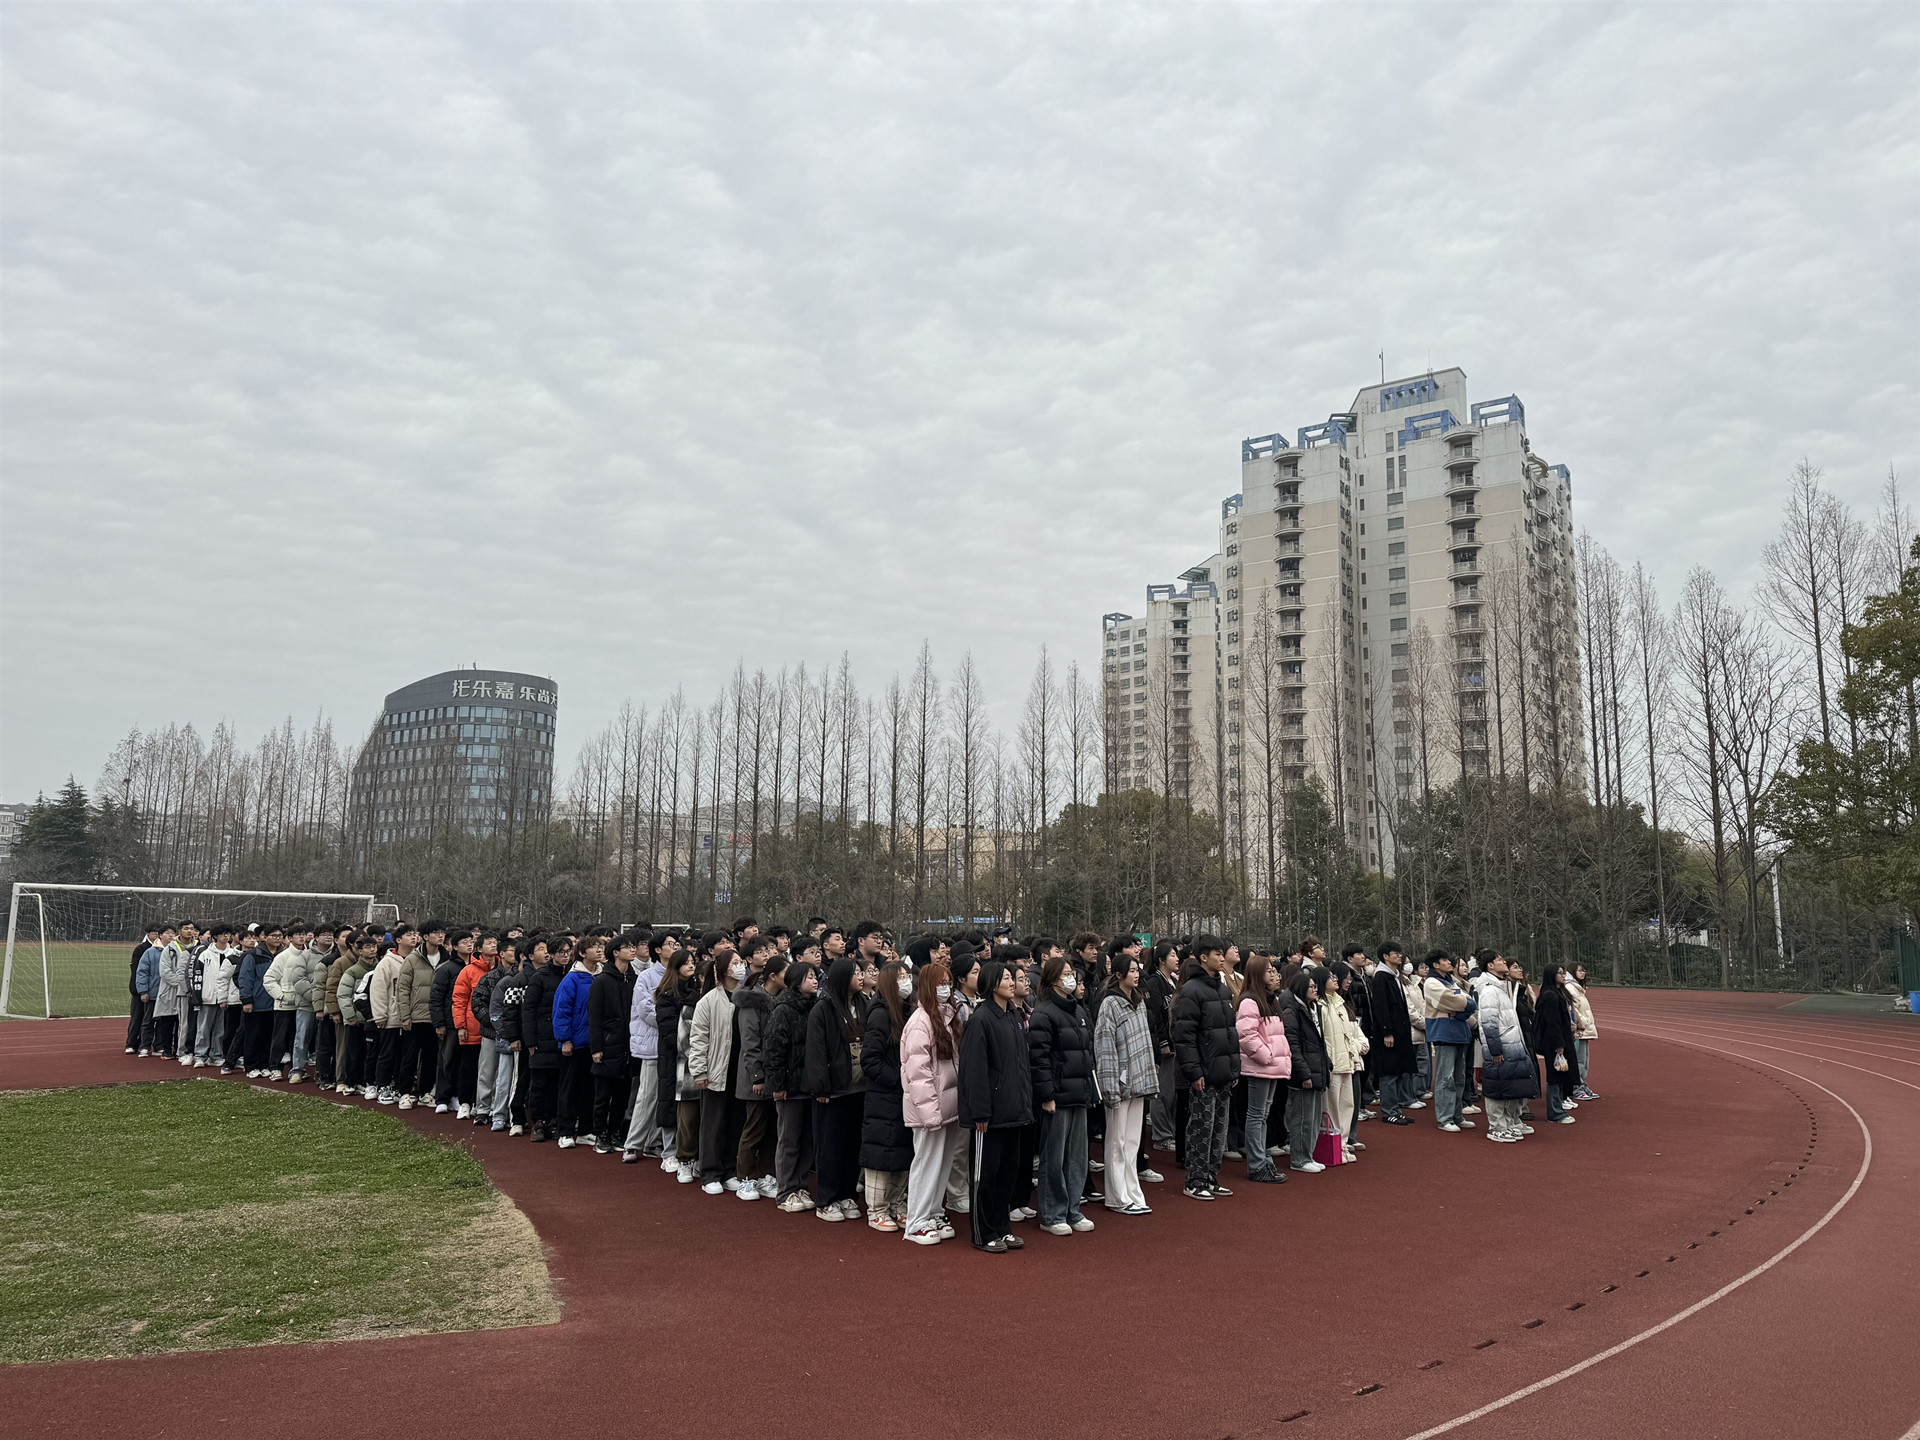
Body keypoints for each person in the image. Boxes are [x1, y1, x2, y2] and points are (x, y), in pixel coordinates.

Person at [958, 958, 1032, 1253]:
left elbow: (1021, 1066)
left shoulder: (1013, 1015)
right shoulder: (980, 1019)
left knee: (1007, 1173)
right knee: (985, 1176)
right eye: (1006, 978)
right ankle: (983, 1232)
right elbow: (974, 1070)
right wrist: (980, 1111)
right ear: (991, 984)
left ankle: (1003, 1227)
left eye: (1012, 978)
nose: (1012, 982)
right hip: (989, 1115)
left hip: (1014, 1111)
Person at [1028, 953, 1095, 1236]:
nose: (1071, 979)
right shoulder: (1043, 1014)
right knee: (1053, 1158)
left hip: (1078, 1093)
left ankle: (1072, 1209)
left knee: (1077, 1157)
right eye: (1065, 974)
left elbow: (1087, 1054)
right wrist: (1047, 1095)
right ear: (1053, 980)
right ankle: (1052, 1213)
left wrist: (1089, 1090)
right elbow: (1039, 1059)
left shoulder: (1079, 1012)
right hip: (1057, 1096)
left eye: (1072, 974)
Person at [1172, 936, 1239, 1201]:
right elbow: (1185, 1036)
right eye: (1217, 954)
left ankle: (1211, 1176)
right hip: (1204, 1073)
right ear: (1203, 958)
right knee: (1201, 1126)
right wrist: (1194, 1071)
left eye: (1223, 954)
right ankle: (1195, 1179)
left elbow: (1231, 1033)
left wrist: (1234, 1068)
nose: (1222, 958)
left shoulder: (1222, 990)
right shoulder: (1191, 990)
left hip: (1223, 1072)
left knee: (1219, 1129)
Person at [901, 958, 962, 1244]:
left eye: (948, 983)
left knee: (942, 1163)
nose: (946, 989)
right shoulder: (920, 1022)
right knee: (926, 1163)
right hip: (930, 1110)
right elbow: (918, 1074)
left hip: (948, 1105)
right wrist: (930, 1114)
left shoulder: (947, 1017)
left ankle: (934, 1211)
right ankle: (916, 1222)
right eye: (940, 984)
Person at [1092, 950, 1158, 1214]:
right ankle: (1117, 1196)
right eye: (1131, 970)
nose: (1136, 974)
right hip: (1119, 1083)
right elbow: (1104, 1046)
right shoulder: (1110, 1004)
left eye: (1137, 970)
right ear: (1118, 974)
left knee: (1131, 1142)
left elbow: (1145, 1043)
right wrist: (1110, 1084)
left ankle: (1133, 1192)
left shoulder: (1139, 1001)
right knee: (1116, 1141)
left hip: (1138, 1081)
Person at [805, 956, 866, 1222]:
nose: (861, 977)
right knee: (830, 1146)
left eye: (861, 972)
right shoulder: (824, 1008)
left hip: (860, 1088)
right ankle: (826, 1199)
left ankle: (846, 1194)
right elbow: (816, 1051)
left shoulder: (864, 1004)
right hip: (833, 1090)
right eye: (855, 973)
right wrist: (821, 1087)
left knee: (853, 1144)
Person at [859, 958, 914, 1232]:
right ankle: (877, 1209)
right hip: (884, 1096)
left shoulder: (907, 1011)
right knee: (881, 1155)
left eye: (908, 976)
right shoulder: (880, 1014)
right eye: (901, 977)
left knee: (903, 1152)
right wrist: (898, 1079)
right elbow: (870, 1060)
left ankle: (897, 1204)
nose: (907, 982)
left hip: (903, 1096)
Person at [689, 943, 747, 1191]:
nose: (740, 966)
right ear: (723, 969)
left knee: (735, 1121)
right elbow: (698, 1039)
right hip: (716, 1070)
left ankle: (727, 1169)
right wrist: (699, 1071)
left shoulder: (747, 997)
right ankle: (710, 1173)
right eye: (735, 963)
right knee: (714, 1124)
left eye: (741, 962)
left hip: (740, 1070)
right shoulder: (709, 1001)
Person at [765, 957, 819, 1210]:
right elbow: (773, 1049)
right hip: (789, 1084)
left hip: (810, 1083)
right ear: (797, 981)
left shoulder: (815, 1006)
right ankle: (786, 1190)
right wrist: (778, 1084)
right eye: (810, 977)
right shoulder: (783, 1009)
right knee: (789, 1139)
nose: (815, 981)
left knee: (807, 1139)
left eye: (815, 976)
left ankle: (801, 1186)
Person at [1233, 953, 1290, 1185]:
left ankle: (1262, 1160)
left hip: (1271, 1066)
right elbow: (1246, 1035)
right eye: (1268, 971)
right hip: (1261, 1066)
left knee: (1263, 1114)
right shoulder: (1250, 1001)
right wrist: (1267, 1057)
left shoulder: (1270, 999)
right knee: (1256, 1115)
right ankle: (1257, 1164)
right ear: (1257, 974)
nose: (1274, 974)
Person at [732, 945, 783, 1197]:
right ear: (773, 976)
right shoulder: (752, 1002)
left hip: (773, 1075)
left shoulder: (778, 1000)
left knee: (771, 1130)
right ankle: (746, 1177)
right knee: (754, 1129)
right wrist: (757, 1076)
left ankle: (766, 1175)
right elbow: (749, 1043)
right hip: (755, 1077)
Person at [1474, 955, 1536, 1141]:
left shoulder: (1502, 988)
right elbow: (1489, 1022)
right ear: (1490, 966)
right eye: (1500, 960)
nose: (1504, 963)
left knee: (1509, 1084)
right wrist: (1495, 1049)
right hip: (1500, 1047)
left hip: (1511, 1044)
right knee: (1497, 1086)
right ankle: (1496, 1128)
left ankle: (1508, 1123)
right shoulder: (1489, 991)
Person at [587, 934, 637, 1154]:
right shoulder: (602, 981)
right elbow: (594, 1017)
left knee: (622, 1094)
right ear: (615, 952)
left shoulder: (635, 979)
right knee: (602, 1095)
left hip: (629, 1046)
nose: (633, 950)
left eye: (633, 946)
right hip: (608, 1045)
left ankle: (616, 1132)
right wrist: (596, 1048)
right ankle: (600, 1134)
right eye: (628, 947)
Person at [620, 932, 666, 1161]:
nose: (675, 947)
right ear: (658, 950)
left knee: (664, 1096)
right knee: (647, 1096)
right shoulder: (646, 977)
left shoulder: (678, 975)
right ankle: (633, 1143)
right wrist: (669, 1023)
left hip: (671, 1043)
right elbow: (645, 1009)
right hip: (652, 1043)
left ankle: (653, 1142)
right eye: (670, 944)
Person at [520, 936, 569, 1142]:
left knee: (560, 1082)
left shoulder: (571, 975)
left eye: (568, 952)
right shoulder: (539, 977)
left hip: (563, 1037)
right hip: (542, 1037)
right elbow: (528, 1010)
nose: (565, 955)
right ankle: (538, 1122)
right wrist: (530, 1040)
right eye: (561, 952)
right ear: (552, 954)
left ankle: (554, 1121)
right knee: (540, 1083)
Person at [1421, 951, 1476, 1132]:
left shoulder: (1451, 981)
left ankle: (1457, 1115)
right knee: (1446, 1078)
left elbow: (1468, 1001)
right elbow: (1452, 1001)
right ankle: (1445, 1118)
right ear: (1436, 965)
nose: (1449, 963)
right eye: (1444, 960)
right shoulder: (1431, 982)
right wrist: (1465, 1003)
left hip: (1459, 1032)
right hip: (1444, 1032)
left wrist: (1465, 1004)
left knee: (1459, 1078)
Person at [553, 937, 600, 1147]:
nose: (598, 950)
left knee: (589, 1088)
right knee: (569, 1088)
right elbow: (561, 1011)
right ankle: (565, 1131)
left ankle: (585, 1130)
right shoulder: (571, 979)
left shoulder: (601, 976)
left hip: (593, 1043)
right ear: (582, 953)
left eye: (600, 947)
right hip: (574, 1042)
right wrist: (565, 1039)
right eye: (593, 947)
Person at [1280, 970, 1329, 1172]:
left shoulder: (1312, 1008)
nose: (1315, 990)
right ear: (1301, 988)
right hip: (1303, 1073)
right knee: (1301, 1118)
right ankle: (1299, 1159)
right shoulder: (1293, 1011)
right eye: (1311, 986)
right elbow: (1292, 1044)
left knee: (1313, 1118)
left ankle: (1308, 1155)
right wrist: (1304, 1072)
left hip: (1315, 1069)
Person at [1320, 963, 1368, 1162]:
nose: (1337, 980)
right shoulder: (1321, 1006)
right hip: (1334, 1065)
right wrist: (1329, 1063)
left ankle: (1343, 1144)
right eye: (1331, 977)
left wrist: (1359, 1047)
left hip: (1348, 1062)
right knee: (1332, 1109)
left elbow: (1352, 1032)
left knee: (1347, 1106)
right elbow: (1324, 1039)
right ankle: (1334, 1146)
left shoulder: (1340, 1003)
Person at [490, 937, 539, 1134]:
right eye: (541, 949)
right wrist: (513, 1037)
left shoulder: (548, 977)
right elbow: (508, 1011)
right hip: (522, 1037)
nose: (546, 953)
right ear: (526, 956)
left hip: (541, 1037)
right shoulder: (515, 981)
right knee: (519, 1079)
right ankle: (514, 1117)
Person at [394, 921, 443, 1108]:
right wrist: (405, 1015)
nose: (440, 935)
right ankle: (404, 1092)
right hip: (415, 1017)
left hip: (435, 1017)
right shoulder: (413, 959)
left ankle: (425, 1092)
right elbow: (402, 989)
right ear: (425, 937)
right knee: (410, 1057)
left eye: (442, 932)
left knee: (431, 1057)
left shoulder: (446, 959)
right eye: (435, 932)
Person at [1367, 942, 1416, 1125]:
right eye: (1395, 953)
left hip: (1400, 1032)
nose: (1399, 956)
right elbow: (1381, 1008)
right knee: (1389, 1073)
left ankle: (1396, 1109)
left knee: (1398, 1072)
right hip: (1389, 1034)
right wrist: (1387, 1032)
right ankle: (1389, 1112)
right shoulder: (1381, 977)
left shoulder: (1394, 976)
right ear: (1386, 956)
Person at [1144, 941, 1181, 1152]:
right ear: (1161, 960)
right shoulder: (1154, 982)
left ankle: (1171, 1131)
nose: (1177, 958)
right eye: (1172, 955)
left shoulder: (1173, 981)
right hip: (1163, 1045)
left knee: (1173, 1093)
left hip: (1176, 1043)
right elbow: (1156, 1015)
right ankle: (1161, 1136)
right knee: (1162, 1092)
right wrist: (1162, 1043)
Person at [430, 931, 473, 1112]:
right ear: (454, 946)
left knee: (464, 1062)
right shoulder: (447, 969)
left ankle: (457, 1096)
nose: (469, 945)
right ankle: (442, 1098)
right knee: (446, 1060)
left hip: (469, 1022)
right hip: (449, 1022)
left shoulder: (475, 967)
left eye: (471, 941)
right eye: (464, 942)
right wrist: (439, 1023)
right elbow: (436, 998)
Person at [1534, 964, 1580, 1125]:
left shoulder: (1556, 993)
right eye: (1560, 973)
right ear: (1552, 975)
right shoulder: (1551, 996)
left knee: (1561, 1076)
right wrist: (1558, 1045)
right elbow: (1552, 1023)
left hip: (1560, 1040)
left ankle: (1558, 1108)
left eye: (1563, 972)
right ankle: (1554, 1112)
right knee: (1555, 1077)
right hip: (1554, 1042)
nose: (1563, 975)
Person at [236, 923, 283, 1079]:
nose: (277, 939)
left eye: (280, 936)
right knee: (253, 1036)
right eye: (274, 936)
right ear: (264, 937)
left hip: (276, 1004)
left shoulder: (283, 955)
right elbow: (245, 978)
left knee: (269, 1036)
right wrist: (246, 1000)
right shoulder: (253, 955)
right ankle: (251, 1066)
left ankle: (265, 1064)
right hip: (257, 1003)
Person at [335, 931, 378, 1095]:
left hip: (374, 1019)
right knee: (353, 1052)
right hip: (357, 1020)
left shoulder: (380, 968)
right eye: (368, 947)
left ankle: (366, 1081)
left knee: (370, 1053)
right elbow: (343, 995)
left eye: (374, 946)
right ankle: (350, 1082)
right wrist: (350, 1017)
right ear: (360, 951)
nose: (372, 950)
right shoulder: (352, 971)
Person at [1567, 962, 1601, 1100]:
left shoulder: (1578, 988)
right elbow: (1574, 1010)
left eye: (1584, 970)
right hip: (1579, 1030)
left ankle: (1582, 1084)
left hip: (1584, 1030)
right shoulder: (1571, 988)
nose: (1583, 973)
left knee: (1584, 1061)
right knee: (1579, 1061)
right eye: (1580, 970)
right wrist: (1581, 1024)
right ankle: (1576, 1088)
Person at [127, 922, 160, 1053]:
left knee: (151, 1018)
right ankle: (131, 1043)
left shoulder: (162, 948)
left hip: (154, 989)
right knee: (137, 1016)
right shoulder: (141, 948)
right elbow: (137, 970)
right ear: (148, 934)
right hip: (139, 989)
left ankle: (145, 1042)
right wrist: (140, 989)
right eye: (154, 932)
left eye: (158, 932)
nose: (156, 934)